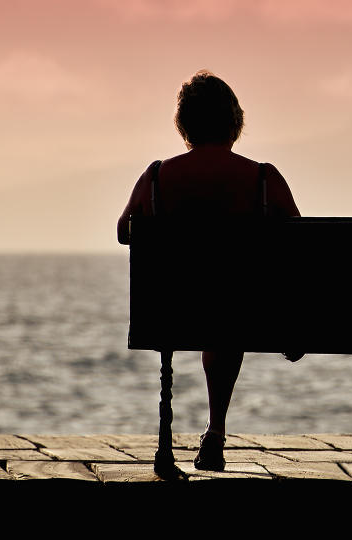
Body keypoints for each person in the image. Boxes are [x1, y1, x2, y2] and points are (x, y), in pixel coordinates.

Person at [117, 70, 302, 472]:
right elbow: (299, 244)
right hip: (245, 314)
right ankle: (215, 430)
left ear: (184, 125)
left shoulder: (156, 177)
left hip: (169, 314)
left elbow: (123, 231)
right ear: (234, 122)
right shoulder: (262, 179)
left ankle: (169, 443)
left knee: (214, 304)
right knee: (227, 304)